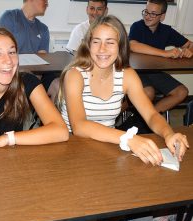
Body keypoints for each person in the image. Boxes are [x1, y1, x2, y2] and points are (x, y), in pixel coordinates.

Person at [57, 15, 189, 166]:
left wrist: (169, 134)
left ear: (120, 47)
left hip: (106, 145)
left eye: (110, 42)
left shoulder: (127, 76)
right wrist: (128, 138)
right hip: (71, 146)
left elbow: (151, 114)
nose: (102, 49)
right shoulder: (75, 75)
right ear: (88, 45)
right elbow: (79, 126)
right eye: (96, 42)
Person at [128, 0, 193, 113]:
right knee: (149, 92)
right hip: (136, 72)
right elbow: (133, 46)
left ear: (162, 17)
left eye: (153, 14)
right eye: (146, 12)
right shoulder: (137, 26)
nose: (148, 16)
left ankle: (147, 118)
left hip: (156, 73)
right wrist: (165, 53)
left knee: (182, 92)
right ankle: (139, 119)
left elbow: (190, 44)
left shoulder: (166, 31)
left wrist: (189, 50)